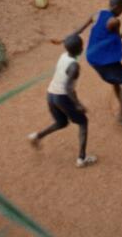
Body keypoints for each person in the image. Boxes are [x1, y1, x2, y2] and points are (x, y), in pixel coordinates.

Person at [28, 31, 98, 168]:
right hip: (62, 97)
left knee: (61, 123)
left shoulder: (63, 56)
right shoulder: (74, 66)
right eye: (81, 46)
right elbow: (68, 88)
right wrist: (78, 104)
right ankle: (81, 159)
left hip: (51, 94)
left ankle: (37, 136)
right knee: (83, 123)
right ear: (80, 49)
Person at [86, 0, 122, 123]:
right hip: (105, 60)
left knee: (115, 81)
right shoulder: (114, 21)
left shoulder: (99, 14)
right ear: (116, 7)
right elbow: (118, 39)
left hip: (95, 59)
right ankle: (121, 116)